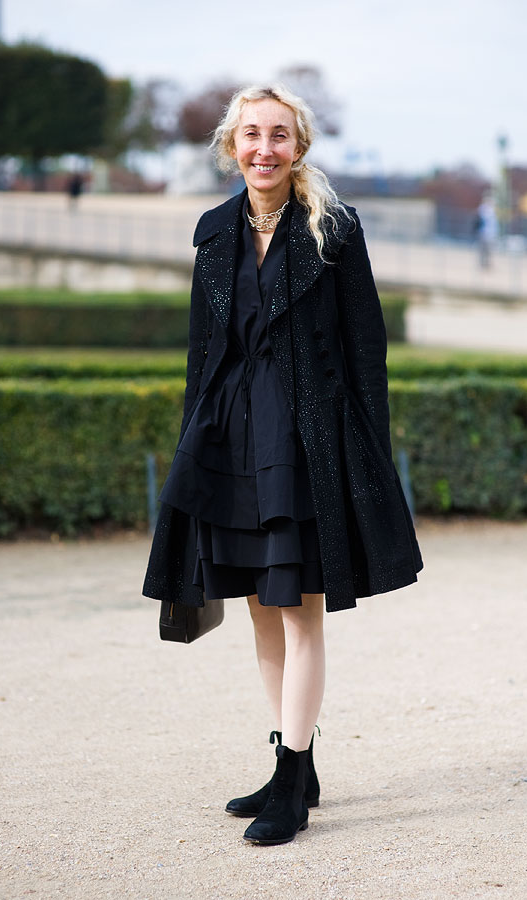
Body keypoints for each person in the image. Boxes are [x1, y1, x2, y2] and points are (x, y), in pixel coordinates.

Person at [142, 83, 423, 846]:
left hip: (307, 441)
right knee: (262, 613)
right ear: (232, 144)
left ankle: (293, 779)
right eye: (251, 134)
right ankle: (291, 759)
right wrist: (192, 445)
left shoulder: (334, 230)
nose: (264, 148)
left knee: (298, 611)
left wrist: (365, 451)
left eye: (279, 135)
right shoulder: (211, 234)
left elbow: (368, 350)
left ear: (299, 147)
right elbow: (204, 354)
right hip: (232, 438)